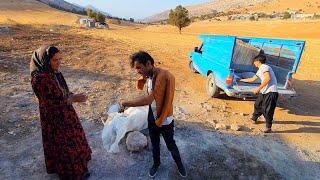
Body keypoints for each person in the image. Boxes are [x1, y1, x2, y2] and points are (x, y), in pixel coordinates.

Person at [119, 51, 186, 177]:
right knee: (155, 144)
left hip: (165, 118)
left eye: (139, 67)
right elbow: (150, 100)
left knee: (171, 144)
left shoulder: (162, 76)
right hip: (152, 116)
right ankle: (156, 164)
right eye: (136, 68)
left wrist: (125, 103)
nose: (137, 71)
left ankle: (179, 164)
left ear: (149, 63)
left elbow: (148, 100)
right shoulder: (149, 75)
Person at [30, 45, 92, 179]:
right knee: (65, 145)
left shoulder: (53, 72)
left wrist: (72, 95)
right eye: (55, 60)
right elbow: (52, 103)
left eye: (60, 59)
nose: (59, 63)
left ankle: (80, 165)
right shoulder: (40, 78)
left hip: (65, 113)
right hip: (54, 118)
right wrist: (73, 98)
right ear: (45, 60)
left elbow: (62, 92)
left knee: (74, 138)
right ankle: (73, 173)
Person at [240, 54, 279, 133]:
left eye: (254, 61)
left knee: (267, 110)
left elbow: (268, 78)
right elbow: (252, 79)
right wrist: (241, 80)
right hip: (264, 91)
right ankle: (254, 119)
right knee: (258, 104)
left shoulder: (265, 67)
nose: (254, 63)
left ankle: (268, 127)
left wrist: (258, 88)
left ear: (258, 61)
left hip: (271, 92)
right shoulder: (260, 69)